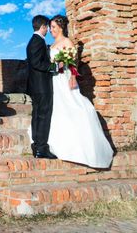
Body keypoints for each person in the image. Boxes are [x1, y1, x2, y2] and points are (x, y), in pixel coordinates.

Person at [45, 14, 114, 168]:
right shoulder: (51, 45)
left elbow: (73, 63)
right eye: (50, 28)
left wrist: (73, 78)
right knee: (58, 107)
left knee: (76, 105)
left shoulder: (67, 42)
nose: (51, 30)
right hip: (55, 79)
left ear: (61, 27)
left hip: (65, 77)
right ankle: (60, 142)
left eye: (54, 27)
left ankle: (84, 147)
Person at [25, 15, 57, 159]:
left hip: (36, 86)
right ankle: (42, 148)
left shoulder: (34, 41)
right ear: (43, 27)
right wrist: (55, 66)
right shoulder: (37, 41)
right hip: (41, 86)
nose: (48, 30)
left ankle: (37, 145)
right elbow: (37, 63)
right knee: (43, 116)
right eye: (47, 27)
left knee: (37, 115)